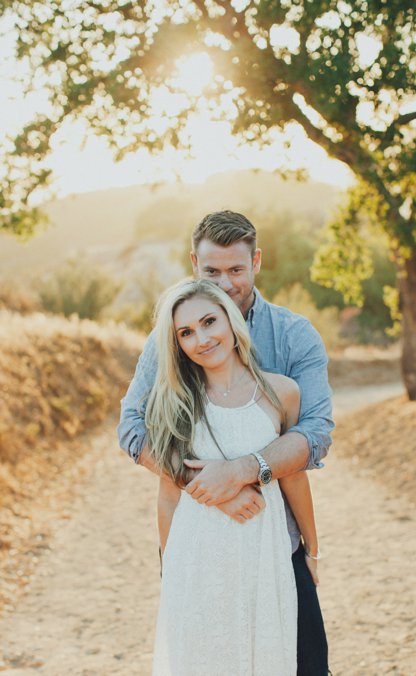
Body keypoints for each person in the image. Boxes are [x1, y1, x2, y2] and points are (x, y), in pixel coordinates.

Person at [118, 211, 332, 675]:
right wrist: (211, 490)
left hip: (278, 542)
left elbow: (313, 437)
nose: (225, 282)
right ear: (195, 264)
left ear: (256, 262)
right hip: (199, 546)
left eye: (236, 270)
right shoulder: (171, 342)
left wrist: (239, 472)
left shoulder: (294, 338)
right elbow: (133, 429)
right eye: (212, 271)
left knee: (305, 665)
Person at [148, 278, 317, 674]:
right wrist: (172, 570)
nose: (201, 339)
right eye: (186, 333)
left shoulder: (282, 393)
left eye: (209, 322)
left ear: (231, 320)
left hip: (264, 552)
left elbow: (292, 476)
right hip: (198, 557)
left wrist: (312, 550)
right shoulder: (176, 403)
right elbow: (169, 495)